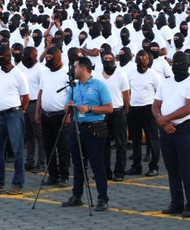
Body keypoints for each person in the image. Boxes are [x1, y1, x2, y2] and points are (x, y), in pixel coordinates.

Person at [153, 51, 190, 218]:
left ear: (188, 65)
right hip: (166, 129)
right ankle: (176, 203)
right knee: (172, 168)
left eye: (181, 64)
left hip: (184, 129)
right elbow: (156, 105)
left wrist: (165, 119)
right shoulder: (165, 83)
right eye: (175, 64)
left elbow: (189, 107)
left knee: (186, 168)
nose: (177, 67)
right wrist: (164, 122)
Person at [61, 57, 112, 212]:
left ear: (82, 69)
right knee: (77, 164)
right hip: (77, 127)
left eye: (75, 67)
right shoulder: (74, 87)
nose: (73, 70)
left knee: (97, 164)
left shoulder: (99, 85)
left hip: (94, 128)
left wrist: (90, 108)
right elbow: (65, 109)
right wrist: (69, 107)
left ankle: (102, 199)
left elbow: (109, 108)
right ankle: (76, 196)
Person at [0, 45, 29, 194]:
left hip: (13, 114)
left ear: (9, 57)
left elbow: (26, 97)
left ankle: (17, 183)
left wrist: (20, 111)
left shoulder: (18, 74)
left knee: (17, 150)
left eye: (1, 56)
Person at [36, 46, 71, 186]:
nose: (48, 60)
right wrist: (37, 112)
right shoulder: (45, 73)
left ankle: (64, 176)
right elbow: (41, 93)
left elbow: (71, 95)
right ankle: (53, 175)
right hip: (46, 115)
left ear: (58, 58)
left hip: (60, 115)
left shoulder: (66, 73)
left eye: (50, 58)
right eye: (47, 58)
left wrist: (68, 115)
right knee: (48, 147)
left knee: (62, 147)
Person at [96, 46, 130, 182]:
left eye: (110, 58)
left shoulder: (121, 75)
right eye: (106, 58)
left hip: (117, 112)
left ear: (114, 60)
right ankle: (105, 172)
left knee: (121, 144)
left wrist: (124, 110)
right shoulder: (97, 75)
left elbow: (126, 96)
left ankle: (119, 172)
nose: (108, 60)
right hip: (103, 113)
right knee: (104, 144)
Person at [126, 50, 161, 177]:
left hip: (148, 109)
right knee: (135, 140)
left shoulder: (153, 75)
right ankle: (136, 166)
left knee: (152, 138)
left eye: (145, 58)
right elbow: (128, 91)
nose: (143, 60)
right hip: (134, 109)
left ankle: (154, 166)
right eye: (140, 58)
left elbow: (159, 92)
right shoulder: (131, 74)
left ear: (149, 60)